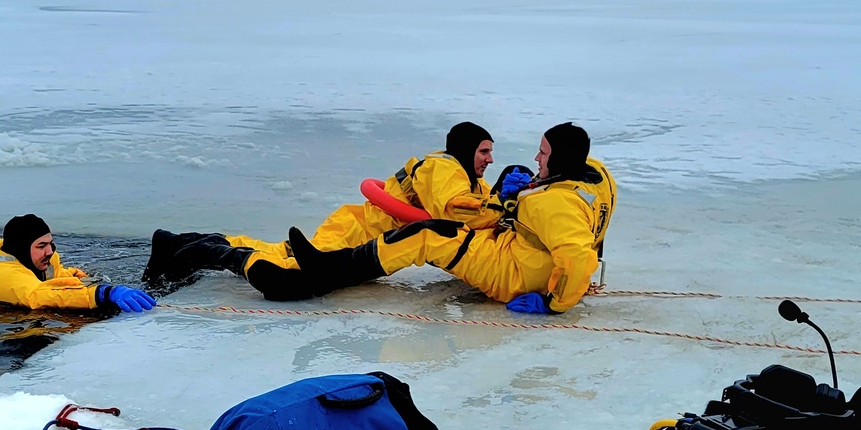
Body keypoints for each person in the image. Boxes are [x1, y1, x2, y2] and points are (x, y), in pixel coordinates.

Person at [142, 121, 519, 300]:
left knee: (281, 254)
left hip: (372, 239)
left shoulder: (475, 184)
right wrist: (501, 204)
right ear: (466, 149)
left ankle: (185, 241)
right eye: (484, 151)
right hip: (358, 231)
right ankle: (196, 250)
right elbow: (454, 211)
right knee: (287, 265)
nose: (489, 159)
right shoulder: (445, 169)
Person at [284, 122, 617, 314]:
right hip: (527, 257)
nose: (536, 157)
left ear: (559, 157)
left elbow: (575, 253)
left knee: (427, 234)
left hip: (514, 275)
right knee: (516, 175)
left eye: (543, 153)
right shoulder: (597, 179)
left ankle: (330, 269)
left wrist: (555, 302)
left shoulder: (553, 205)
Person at [0, 214, 156, 313]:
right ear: (21, 248)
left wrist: (84, 279)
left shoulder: (34, 257)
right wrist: (101, 294)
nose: (50, 251)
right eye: (41, 246)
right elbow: (38, 295)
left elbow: (57, 275)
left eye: (50, 243)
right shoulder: (3, 276)